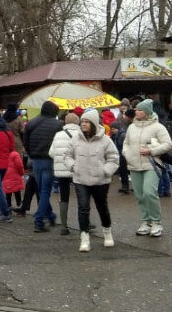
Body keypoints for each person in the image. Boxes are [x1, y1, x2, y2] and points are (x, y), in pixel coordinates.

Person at [63, 110, 119, 252]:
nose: (83, 124)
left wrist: (105, 170)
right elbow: (67, 156)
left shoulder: (106, 140)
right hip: (80, 179)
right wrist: (73, 166)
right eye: (82, 122)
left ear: (94, 123)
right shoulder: (75, 139)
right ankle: (85, 238)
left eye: (87, 122)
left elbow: (113, 158)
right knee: (83, 208)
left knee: (102, 207)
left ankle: (107, 234)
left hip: (100, 180)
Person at [123, 99, 172, 237]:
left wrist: (151, 150)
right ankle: (146, 221)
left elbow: (168, 144)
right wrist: (127, 154)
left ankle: (156, 222)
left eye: (140, 110)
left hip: (151, 164)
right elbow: (126, 143)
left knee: (149, 192)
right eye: (137, 109)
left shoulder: (158, 127)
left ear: (148, 112)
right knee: (139, 195)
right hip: (134, 165)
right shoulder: (132, 127)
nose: (137, 112)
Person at [23, 101, 62, 232]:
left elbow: (25, 142)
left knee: (42, 190)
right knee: (45, 191)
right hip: (49, 160)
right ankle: (39, 220)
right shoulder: (57, 125)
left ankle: (50, 216)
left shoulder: (31, 123)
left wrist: (31, 153)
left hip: (35, 160)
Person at [48, 112, 81, 236]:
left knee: (64, 196)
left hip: (62, 170)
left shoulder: (58, 135)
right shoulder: (81, 134)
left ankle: (64, 225)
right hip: (77, 169)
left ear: (65, 122)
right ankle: (85, 223)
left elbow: (51, 153)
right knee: (81, 196)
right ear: (78, 122)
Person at [114, 108, 135, 194]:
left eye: (125, 115)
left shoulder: (133, 125)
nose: (124, 117)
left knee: (131, 169)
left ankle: (133, 186)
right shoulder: (125, 123)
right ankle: (125, 186)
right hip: (123, 150)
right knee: (123, 169)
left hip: (130, 150)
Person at [2, 146, 25, 212]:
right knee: (17, 192)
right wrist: (21, 173)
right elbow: (19, 165)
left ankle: (8, 208)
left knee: (8, 193)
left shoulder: (4, 154)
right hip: (15, 176)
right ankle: (19, 206)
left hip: (6, 176)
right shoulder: (15, 154)